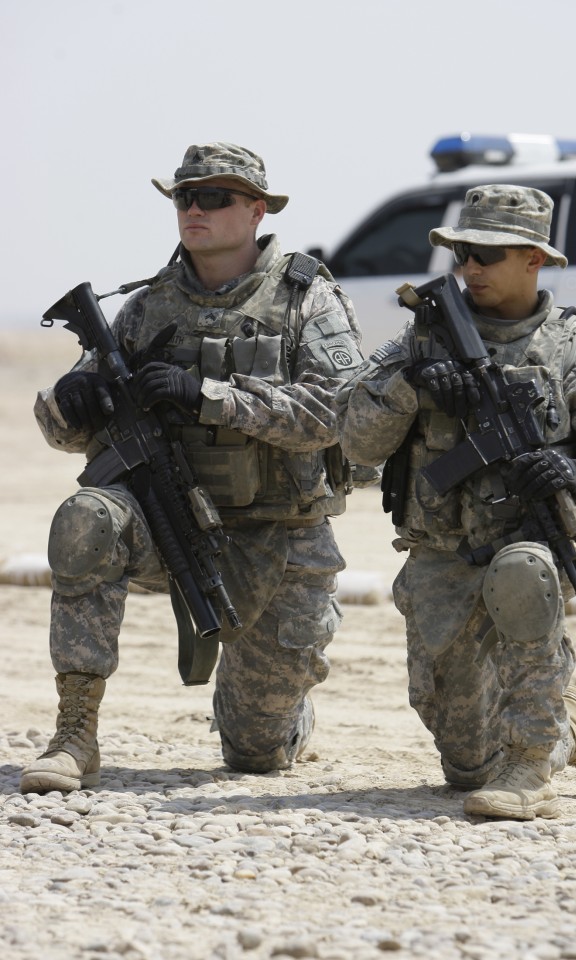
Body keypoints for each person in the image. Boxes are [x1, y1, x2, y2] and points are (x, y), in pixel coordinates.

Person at [21, 141, 366, 794]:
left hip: (281, 534)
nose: (195, 209)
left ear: (257, 209)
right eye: (185, 197)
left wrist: (208, 398)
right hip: (164, 516)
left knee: (255, 753)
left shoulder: (304, 299)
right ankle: (75, 734)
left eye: (215, 196)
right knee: (85, 519)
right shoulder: (148, 306)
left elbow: (336, 414)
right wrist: (70, 404)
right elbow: (65, 430)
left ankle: (282, 718)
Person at [336, 183, 576, 820]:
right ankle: (568, 730)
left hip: (526, 556)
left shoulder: (575, 357)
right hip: (441, 556)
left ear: (534, 259)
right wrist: (409, 388)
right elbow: (356, 446)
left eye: (487, 253)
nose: (469, 266)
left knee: (524, 569)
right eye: (462, 252)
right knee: (466, 763)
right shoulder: (419, 343)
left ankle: (532, 763)